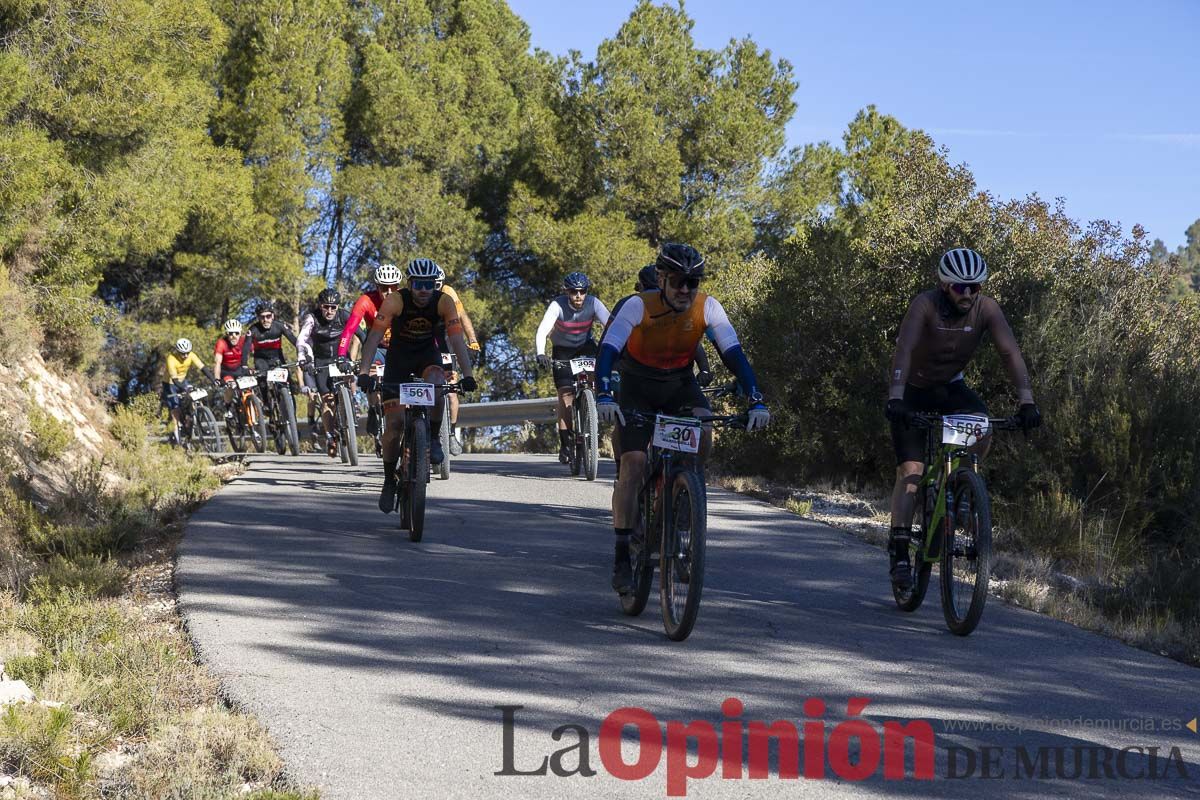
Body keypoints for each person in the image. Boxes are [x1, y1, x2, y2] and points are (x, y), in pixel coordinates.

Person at [595, 243, 770, 593]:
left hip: (679, 385)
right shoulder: (637, 305)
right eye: (678, 281)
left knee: (705, 428)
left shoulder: (708, 307)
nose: (686, 290)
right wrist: (603, 393)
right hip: (638, 385)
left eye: (693, 282)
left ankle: (685, 496)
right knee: (633, 463)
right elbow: (609, 348)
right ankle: (621, 555)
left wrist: (756, 399)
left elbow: (734, 353)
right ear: (661, 279)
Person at [883, 247, 1042, 591]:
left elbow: (1009, 352)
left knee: (982, 427)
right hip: (911, 389)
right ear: (944, 286)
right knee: (911, 471)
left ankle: (959, 487)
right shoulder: (924, 305)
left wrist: (1027, 401)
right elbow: (905, 350)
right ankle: (898, 548)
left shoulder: (987, 309)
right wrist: (896, 396)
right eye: (959, 288)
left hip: (950, 388)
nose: (967, 294)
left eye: (974, 287)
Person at [358, 258, 478, 514]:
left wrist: (467, 375)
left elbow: (456, 341)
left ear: (434, 285)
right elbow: (374, 338)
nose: (424, 290)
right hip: (398, 360)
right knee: (395, 425)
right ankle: (389, 480)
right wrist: (364, 371)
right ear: (410, 284)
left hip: (426, 356)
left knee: (437, 383)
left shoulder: (443, 302)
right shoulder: (395, 301)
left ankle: (433, 439)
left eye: (429, 284)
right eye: (418, 284)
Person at [603, 264, 712, 473]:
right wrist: (610, 374)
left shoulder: (678, 307)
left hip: (671, 378)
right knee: (625, 419)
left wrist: (704, 368)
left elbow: (691, 343)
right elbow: (607, 344)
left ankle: (683, 479)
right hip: (630, 369)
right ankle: (622, 468)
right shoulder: (630, 304)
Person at [534, 272, 610, 463]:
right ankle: (566, 444)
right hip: (562, 351)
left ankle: (589, 408)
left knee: (596, 379)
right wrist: (541, 353)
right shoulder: (557, 305)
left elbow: (611, 325)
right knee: (566, 395)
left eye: (582, 291)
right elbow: (543, 330)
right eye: (574, 291)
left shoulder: (594, 303)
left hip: (586, 346)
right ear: (567, 291)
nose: (578, 296)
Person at [339, 264, 402, 440]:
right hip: (376, 348)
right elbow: (349, 330)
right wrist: (341, 355)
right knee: (372, 375)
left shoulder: (405, 299)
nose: (388, 292)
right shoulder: (366, 301)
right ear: (377, 287)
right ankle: (374, 409)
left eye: (393, 287)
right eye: (384, 288)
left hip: (399, 348)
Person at [297, 288, 362, 457]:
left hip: (341, 359)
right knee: (327, 400)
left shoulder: (344, 315)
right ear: (320, 306)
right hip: (321, 362)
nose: (330, 311)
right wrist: (304, 359)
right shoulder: (312, 318)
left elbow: (361, 335)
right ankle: (331, 436)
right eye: (326, 307)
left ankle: (351, 403)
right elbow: (302, 340)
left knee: (348, 383)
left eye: (334, 307)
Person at [432, 262, 480, 456]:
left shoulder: (449, 292)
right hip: (424, 339)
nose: (431, 289)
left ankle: (451, 433)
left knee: (451, 391)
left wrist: (473, 339)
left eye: (436, 285)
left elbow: (462, 317)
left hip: (444, 339)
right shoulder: (415, 296)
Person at [162, 338, 215, 443]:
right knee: (175, 409)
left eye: (187, 353)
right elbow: (175, 380)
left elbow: (203, 368)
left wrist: (214, 380)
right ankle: (177, 436)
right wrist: (186, 388)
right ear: (178, 351)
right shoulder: (171, 359)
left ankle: (190, 418)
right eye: (183, 353)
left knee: (191, 399)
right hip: (170, 383)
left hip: (183, 380)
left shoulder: (191, 355)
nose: (185, 356)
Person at [213, 319, 248, 412]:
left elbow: (256, 353)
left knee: (250, 385)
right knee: (231, 386)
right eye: (230, 333)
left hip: (239, 369)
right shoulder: (222, 343)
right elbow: (217, 363)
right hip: (226, 371)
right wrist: (217, 379)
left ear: (240, 333)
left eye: (236, 333)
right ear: (226, 334)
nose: (234, 336)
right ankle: (228, 408)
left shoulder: (244, 341)